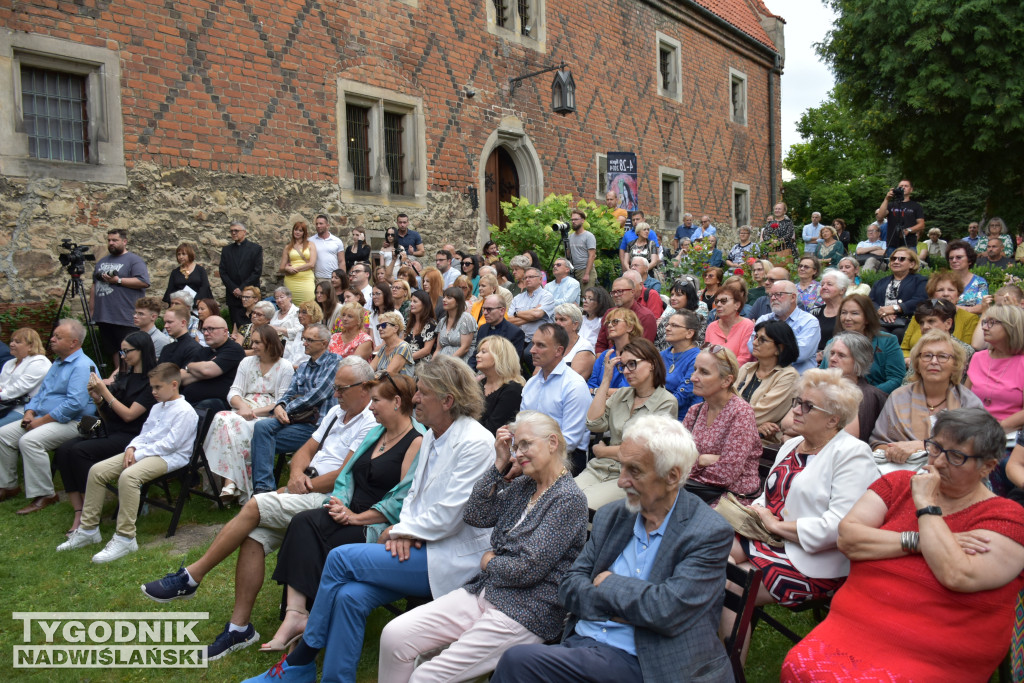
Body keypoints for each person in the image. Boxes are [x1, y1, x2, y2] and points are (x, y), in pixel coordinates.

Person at [239, 356, 495, 683]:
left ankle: (301, 660)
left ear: (447, 401)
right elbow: (415, 494)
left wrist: (398, 530)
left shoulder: (476, 442)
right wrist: (399, 529)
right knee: (349, 597)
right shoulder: (434, 434)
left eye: (423, 393)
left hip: (449, 556)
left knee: (341, 558)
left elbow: (450, 514)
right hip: (421, 544)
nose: (415, 398)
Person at [140, 360, 377, 661]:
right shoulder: (336, 412)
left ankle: (192, 577)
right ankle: (239, 628)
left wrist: (304, 484)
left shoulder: (370, 420)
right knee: (254, 535)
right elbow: (305, 449)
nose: (336, 393)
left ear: (365, 389)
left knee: (255, 504)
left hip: (330, 497)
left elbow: (345, 474)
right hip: (307, 485)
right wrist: (294, 475)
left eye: (342, 388)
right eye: (335, 387)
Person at [784, 409, 1024, 680]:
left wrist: (926, 506)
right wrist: (919, 542)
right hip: (856, 624)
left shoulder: (1007, 518)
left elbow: (957, 574)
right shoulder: (897, 484)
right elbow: (848, 538)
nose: (940, 462)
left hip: (936, 650)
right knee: (799, 666)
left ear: (988, 467)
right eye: (935, 448)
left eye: (956, 456)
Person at [492, 415, 735, 683]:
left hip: (647, 663)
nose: (620, 481)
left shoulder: (707, 532)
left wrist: (607, 584)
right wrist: (629, 610)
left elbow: (666, 611)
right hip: (584, 646)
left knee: (518, 662)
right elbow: (570, 587)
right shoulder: (614, 516)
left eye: (635, 471)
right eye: (622, 467)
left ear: (672, 476)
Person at [379, 411, 588, 682]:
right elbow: (476, 515)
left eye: (526, 444)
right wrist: (498, 464)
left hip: (525, 610)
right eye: (515, 446)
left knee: (426, 676)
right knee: (395, 636)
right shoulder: (526, 485)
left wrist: (488, 562)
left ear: (552, 443)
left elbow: (526, 569)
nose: (519, 452)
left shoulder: (568, 499)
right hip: (485, 591)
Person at [261, 373, 422, 653]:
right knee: (302, 523)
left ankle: (315, 624)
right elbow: (348, 475)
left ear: (397, 402)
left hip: (375, 522)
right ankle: (295, 615)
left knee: (327, 542)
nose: (370, 407)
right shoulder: (376, 433)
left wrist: (357, 518)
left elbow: (402, 499)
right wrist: (339, 503)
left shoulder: (417, 441)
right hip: (347, 511)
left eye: (376, 401)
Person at [721, 369, 878, 656]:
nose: (796, 410)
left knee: (732, 583)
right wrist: (755, 512)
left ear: (833, 418)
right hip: (768, 539)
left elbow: (838, 527)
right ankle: (703, 650)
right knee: (708, 552)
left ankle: (727, 669)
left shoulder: (853, 454)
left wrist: (776, 526)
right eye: (797, 401)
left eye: (808, 406)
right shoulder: (793, 444)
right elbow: (769, 497)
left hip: (813, 560)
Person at [57, 363, 198, 563]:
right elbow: (145, 433)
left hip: (170, 458)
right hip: (145, 452)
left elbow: (171, 445)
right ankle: (88, 530)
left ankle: (125, 537)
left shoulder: (185, 411)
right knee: (97, 471)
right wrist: (132, 448)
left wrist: (139, 453)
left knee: (129, 476)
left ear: (174, 384)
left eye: (158, 387)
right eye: (152, 387)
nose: (153, 392)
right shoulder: (158, 407)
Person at [52, 331, 157, 532]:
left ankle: (92, 512)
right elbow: (109, 415)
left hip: (133, 435)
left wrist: (105, 392)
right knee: (64, 450)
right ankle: (79, 510)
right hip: (113, 428)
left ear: (142, 350)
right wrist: (98, 400)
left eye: (127, 351)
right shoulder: (125, 375)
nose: (124, 356)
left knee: (80, 451)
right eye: (122, 351)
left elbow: (129, 415)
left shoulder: (151, 382)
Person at [0, 320, 94, 513]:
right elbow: (42, 393)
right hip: (44, 416)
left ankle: (46, 495)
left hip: (74, 422)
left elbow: (75, 405)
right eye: (54, 335)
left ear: (73, 343)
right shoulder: (58, 363)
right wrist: (29, 412)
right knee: (3, 435)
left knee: (30, 441)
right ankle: (9, 486)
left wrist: (40, 422)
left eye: (58, 337)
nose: (51, 339)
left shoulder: (82, 365)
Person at [576, 339, 677, 510]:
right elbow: (594, 424)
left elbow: (643, 451)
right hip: (599, 468)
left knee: (580, 506)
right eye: (622, 366)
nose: (626, 371)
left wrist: (603, 451)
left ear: (652, 364)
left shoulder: (666, 402)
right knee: (557, 498)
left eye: (632, 364)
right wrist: (606, 380)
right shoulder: (621, 394)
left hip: (631, 475)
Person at [204, 325, 294, 504]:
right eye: (252, 341)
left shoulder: (285, 367)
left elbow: (283, 401)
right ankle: (231, 483)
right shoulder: (246, 363)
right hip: (243, 408)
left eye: (257, 342)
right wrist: (243, 407)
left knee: (231, 425)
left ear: (269, 343)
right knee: (221, 418)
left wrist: (253, 412)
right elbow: (233, 391)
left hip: (267, 414)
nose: (252, 346)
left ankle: (230, 484)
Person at [870, 330, 982, 472]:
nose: (933, 362)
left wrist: (923, 446)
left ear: (955, 364)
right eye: (927, 356)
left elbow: (976, 447)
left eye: (942, 356)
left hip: (952, 477)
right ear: (917, 363)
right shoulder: (898, 397)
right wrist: (894, 451)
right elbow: (878, 443)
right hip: (900, 473)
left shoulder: (969, 402)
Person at [249, 324, 340, 494]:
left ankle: (262, 491)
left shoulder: (334, 362)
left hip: (316, 426)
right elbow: (289, 392)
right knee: (261, 428)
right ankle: (264, 489)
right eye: (304, 339)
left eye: (310, 340)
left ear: (324, 343)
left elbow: (318, 395)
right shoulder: (304, 366)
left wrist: (286, 409)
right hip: (296, 420)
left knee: (262, 441)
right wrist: (280, 406)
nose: (304, 343)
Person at [683, 345, 761, 504]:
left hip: (731, 497)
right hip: (695, 489)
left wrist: (695, 462)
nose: (693, 377)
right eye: (695, 369)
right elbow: (676, 459)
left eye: (704, 372)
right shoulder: (695, 411)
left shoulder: (741, 413)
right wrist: (703, 460)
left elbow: (726, 474)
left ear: (726, 380)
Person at [521, 324, 592, 473]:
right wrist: (517, 454)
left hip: (566, 458)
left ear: (558, 351)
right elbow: (521, 425)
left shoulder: (574, 385)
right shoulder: (531, 384)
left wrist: (529, 456)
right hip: (530, 453)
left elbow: (570, 441)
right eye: (533, 344)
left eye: (540, 345)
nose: (532, 350)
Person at [91, 228, 151, 369]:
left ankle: (128, 379)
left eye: (115, 240)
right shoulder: (102, 262)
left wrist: (118, 281)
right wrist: (92, 310)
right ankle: (118, 378)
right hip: (104, 316)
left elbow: (143, 282)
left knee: (128, 350)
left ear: (124, 241)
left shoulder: (134, 260)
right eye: (109, 240)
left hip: (125, 316)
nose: (111, 243)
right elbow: (94, 286)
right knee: (112, 350)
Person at [820, 294, 904, 393]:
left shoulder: (887, 341)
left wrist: (864, 395)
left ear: (867, 318)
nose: (847, 318)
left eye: (854, 313)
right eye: (844, 313)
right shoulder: (833, 343)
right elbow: (823, 375)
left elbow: (896, 379)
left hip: (875, 399)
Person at [965, 305, 1024, 440]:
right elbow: (964, 397)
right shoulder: (978, 358)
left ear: (1011, 327)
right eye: (985, 322)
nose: (984, 327)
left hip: (1008, 436)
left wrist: (995, 429)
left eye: (992, 323)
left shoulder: (1022, 363)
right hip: (972, 429)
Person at [737, 320, 801, 445]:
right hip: (733, 434)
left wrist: (725, 418)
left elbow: (762, 414)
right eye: (756, 337)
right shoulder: (747, 368)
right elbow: (724, 401)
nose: (754, 343)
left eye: (762, 340)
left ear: (779, 348)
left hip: (761, 444)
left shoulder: (788, 376)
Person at [750, 278, 821, 374]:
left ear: (793, 297)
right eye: (771, 295)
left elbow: (799, 354)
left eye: (778, 294)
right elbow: (752, 346)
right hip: (765, 377)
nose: (773, 298)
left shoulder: (809, 322)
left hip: (798, 382)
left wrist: (767, 351)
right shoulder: (764, 319)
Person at [900, 271, 980, 355]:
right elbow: (904, 349)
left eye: (951, 290)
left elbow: (966, 352)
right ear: (932, 296)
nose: (946, 294)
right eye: (940, 290)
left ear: (958, 296)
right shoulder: (921, 315)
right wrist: (909, 360)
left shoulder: (970, 318)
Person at [180, 315, 245, 413]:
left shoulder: (234, 350)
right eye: (204, 329)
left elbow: (207, 371)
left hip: (216, 404)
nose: (206, 333)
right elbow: (181, 377)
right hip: (190, 401)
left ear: (225, 331)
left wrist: (190, 367)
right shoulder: (203, 351)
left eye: (211, 329)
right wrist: (203, 370)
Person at [868, 245, 928, 341]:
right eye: (893, 259)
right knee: (879, 333)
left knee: (898, 333)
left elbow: (920, 300)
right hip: (881, 320)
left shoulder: (920, 281)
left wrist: (895, 308)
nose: (896, 261)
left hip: (906, 320)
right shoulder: (880, 282)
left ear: (912, 264)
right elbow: (870, 301)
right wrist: (883, 312)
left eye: (901, 259)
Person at [0, 328, 50, 430]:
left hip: (24, 409)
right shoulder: (10, 363)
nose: (11, 344)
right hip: (4, 406)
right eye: (12, 341)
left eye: (17, 342)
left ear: (31, 346)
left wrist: (1, 394)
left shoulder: (39, 362)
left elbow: (19, 388)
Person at [476, 336, 525, 434]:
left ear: (498, 356)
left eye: (483, 352)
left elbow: (493, 429)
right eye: (479, 351)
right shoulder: (479, 384)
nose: (477, 355)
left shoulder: (513, 390)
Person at [220, 222, 264, 330]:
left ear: (244, 232)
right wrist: (234, 289)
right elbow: (223, 272)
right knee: (236, 326)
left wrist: (242, 289)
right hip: (233, 295)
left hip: (250, 294)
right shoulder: (226, 250)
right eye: (231, 231)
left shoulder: (255, 249)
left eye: (236, 231)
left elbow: (256, 272)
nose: (233, 233)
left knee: (253, 324)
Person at [660, 310, 701, 420]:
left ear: (689, 333)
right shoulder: (660, 355)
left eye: (674, 325)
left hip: (682, 419)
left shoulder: (697, 358)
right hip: (658, 413)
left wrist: (653, 406)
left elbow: (683, 396)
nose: (667, 328)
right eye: (667, 324)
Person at [588, 307, 642, 391]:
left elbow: (629, 391)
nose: (609, 325)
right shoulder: (605, 355)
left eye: (615, 321)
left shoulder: (638, 355)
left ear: (630, 327)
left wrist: (598, 391)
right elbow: (591, 385)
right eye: (608, 323)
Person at [705, 282, 754, 365]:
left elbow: (744, 358)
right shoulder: (711, 327)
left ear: (737, 305)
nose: (719, 304)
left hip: (739, 374)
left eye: (724, 301)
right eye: (717, 301)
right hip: (713, 373)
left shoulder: (747, 325)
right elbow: (706, 354)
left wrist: (721, 372)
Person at [508, 267, 555, 350]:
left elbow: (537, 314)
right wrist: (532, 317)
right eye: (525, 278)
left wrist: (517, 313)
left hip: (540, 338)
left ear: (540, 279)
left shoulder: (547, 296)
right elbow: (509, 320)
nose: (527, 279)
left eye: (531, 277)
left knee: (528, 354)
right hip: (520, 337)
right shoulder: (517, 298)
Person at [809, 269, 849, 361]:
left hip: (839, 358)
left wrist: (825, 353)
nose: (824, 287)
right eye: (822, 285)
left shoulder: (848, 313)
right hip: (813, 358)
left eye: (829, 284)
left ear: (842, 290)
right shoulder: (814, 313)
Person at [877, 179, 925, 253]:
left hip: (909, 244)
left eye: (906, 186)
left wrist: (909, 230)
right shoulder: (891, 205)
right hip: (892, 243)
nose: (903, 188)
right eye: (901, 186)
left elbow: (921, 225)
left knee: (910, 263)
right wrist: (886, 199)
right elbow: (880, 216)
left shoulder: (916, 206)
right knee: (892, 264)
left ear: (911, 190)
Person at [433, 286, 478, 362]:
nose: (444, 300)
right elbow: (438, 349)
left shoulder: (466, 319)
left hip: (460, 363)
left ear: (458, 302)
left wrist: (446, 362)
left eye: (449, 298)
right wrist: (432, 364)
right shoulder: (442, 321)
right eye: (444, 297)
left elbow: (465, 348)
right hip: (441, 362)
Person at [944, 239, 988, 316]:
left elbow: (982, 307)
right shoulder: (942, 281)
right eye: (951, 258)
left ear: (969, 260)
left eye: (959, 257)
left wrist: (956, 308)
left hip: (972, 323)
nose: (954, 260)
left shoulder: (980, 282)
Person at [157, 303, 207, 369]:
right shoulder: (166, 348)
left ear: (183, 322)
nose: (165, 326)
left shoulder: (193, 349)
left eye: (170, 322)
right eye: (165, 322)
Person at [553, 303, 595, 379]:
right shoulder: (552, 344)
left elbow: (571, 382)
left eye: (562, 319)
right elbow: (536, 375)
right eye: (556, 319)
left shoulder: (584, 348)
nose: (557, 323)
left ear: (575, 325)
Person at [279, 221, 317, 305]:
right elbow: (281, 268)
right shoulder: (288, 247)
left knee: (308, 303)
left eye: (300, 230)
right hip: (291, 280)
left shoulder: (310, 245)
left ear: (304, 233)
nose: (297, 232)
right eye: (296, 230)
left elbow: (311, 264)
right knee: (291, 305)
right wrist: (287, 268)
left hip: (306, 279)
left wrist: (295, 269)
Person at [371, 311, 414, 377]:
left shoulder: (403, 347)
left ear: (395, 328)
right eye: (378, 326)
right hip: (381, 385)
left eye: (383, 325)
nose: (379, 329)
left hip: (399, 386)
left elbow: (388, 375)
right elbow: (369, 370)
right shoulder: (384, 348)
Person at [283, 301, 322, 370]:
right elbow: (293, 355)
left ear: (313, 314)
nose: (299, 315)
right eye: (299, 312)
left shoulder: (318, 333)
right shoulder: (300, 332)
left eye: (304, 312)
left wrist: (290, 367)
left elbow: (314, 361)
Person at [404, 290, 438, 365]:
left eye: (415, 302)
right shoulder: (408, 322)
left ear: (424, 304)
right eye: (411, 301)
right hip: (406, 361)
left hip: (422, 364)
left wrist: (406, 359)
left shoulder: (431, 324)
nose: (411, 304)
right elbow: (401, 342)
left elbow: (426, 350)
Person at [310, 214, 345, 280]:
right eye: (317, 224)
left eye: (321, 223)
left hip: (334, 278)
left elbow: (341, 261)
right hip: (318, 278)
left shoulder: (337, 241)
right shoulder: (311, 241)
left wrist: (343, 278)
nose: (318, 226)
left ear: (327, 226)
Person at [567, 208, 597, 286]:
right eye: (572, 219)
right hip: (573, 271)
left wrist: (587, 274)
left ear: (582, 220)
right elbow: (568, 255)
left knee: (585, 297)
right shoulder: (570, 237)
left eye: (576, 219)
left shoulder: (588, 236)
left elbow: (592, 256)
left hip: (585, 270)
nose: (573, 222)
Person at [368, 282, 396, 348]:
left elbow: (391, 340)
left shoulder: (395, 315)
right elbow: (371, 339)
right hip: (375, 351)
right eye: (373, 294)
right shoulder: (372, 316)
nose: (374, 297)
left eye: (377, 294)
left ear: (386, 295)